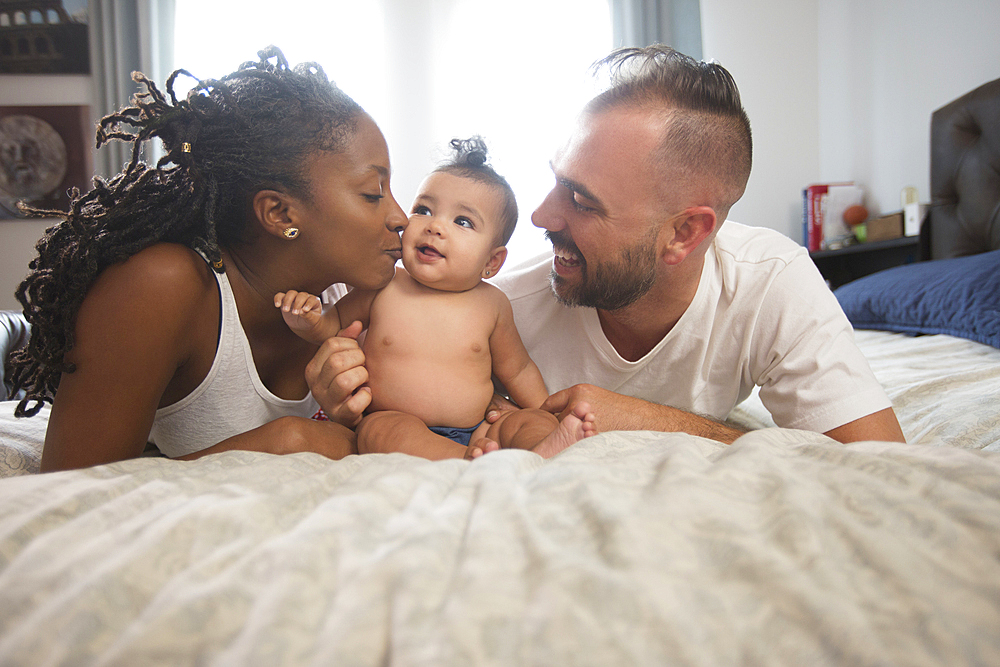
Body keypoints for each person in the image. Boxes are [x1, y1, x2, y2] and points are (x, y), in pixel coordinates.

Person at [9, 47, 410, 471]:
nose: (400, 217)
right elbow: (69, 484)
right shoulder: (160, 286)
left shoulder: (356, 292)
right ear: (279, 214)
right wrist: (282, 441)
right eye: (373, 194)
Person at [486, 45, 906, 445]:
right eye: (556, 180)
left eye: (580, 200)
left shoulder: (769, 281)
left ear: (684, 232)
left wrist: (647, 420)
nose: (540, 216)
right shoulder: (501, 307)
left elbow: (877, 460)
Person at [275, 138, 597, 460]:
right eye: (423, 210)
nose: (435, 226)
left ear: (491, 262)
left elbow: (518, 370)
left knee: (526, 422)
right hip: (395, 419)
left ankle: (548, 449)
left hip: (480, 427)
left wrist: (545, 412)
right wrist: (308, 320)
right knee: (378, 434)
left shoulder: (492, 305)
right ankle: (463, 464)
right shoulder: (385, 286)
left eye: (463, 222)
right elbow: (334, 328)